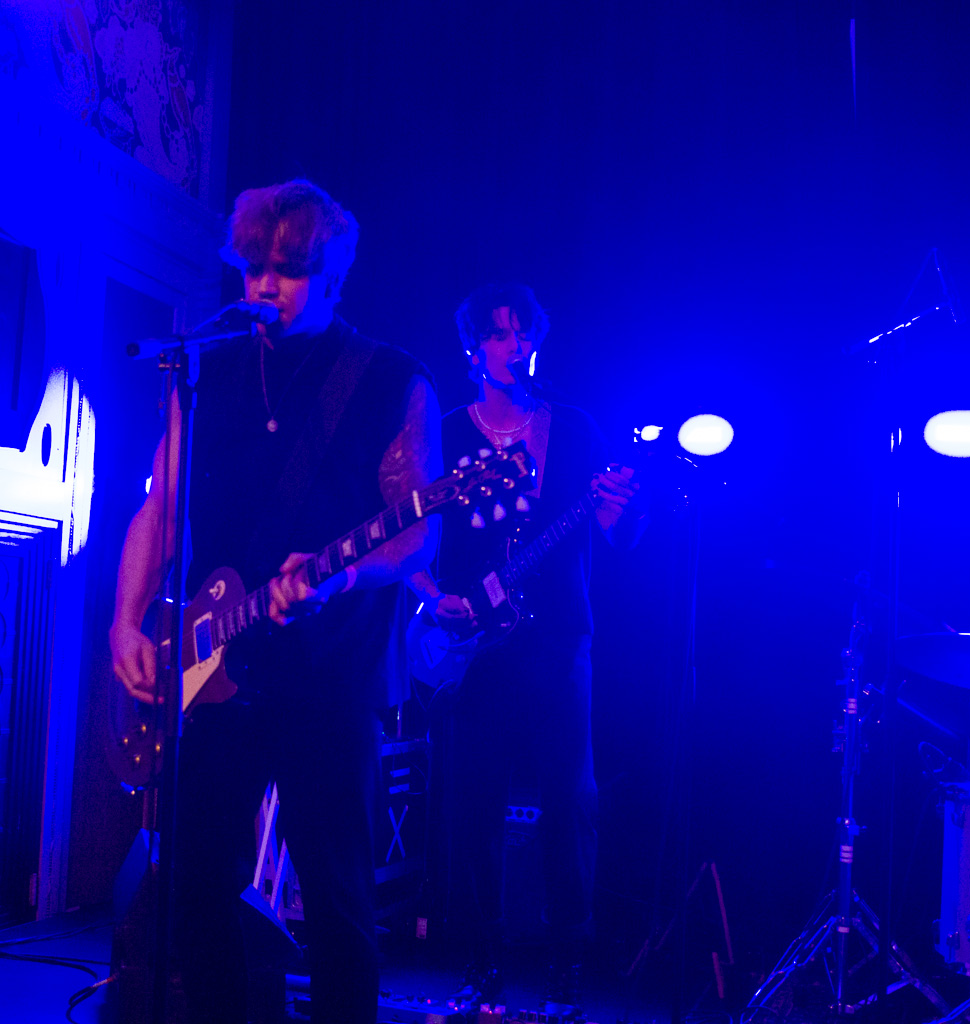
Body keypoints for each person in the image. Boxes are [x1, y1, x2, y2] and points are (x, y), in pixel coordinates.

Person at [109, 179, 441, 1024]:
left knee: (337, 904)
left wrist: (343, 577)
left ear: (332, 276)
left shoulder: (390, 379)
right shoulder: (207, 371)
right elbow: (160, 504)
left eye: (288, 270)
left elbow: (418, 536)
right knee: (194, 890)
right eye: (254, 267)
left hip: (332, 677)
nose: (264, 286)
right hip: (214, 668)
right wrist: (125, 622)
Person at [408, 282, 643, 1007]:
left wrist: (621, 515)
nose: (517, 346)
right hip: (473, 646)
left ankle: (567, 963)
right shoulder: (447, 433)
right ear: (474, 347)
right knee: (471, 804)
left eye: (525, 333)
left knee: (570, 801)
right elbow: (409, 536)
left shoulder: (573, 429)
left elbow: (619, 537)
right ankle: (480, 963)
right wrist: (432, 598)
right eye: (501, 334)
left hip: (560, 641)